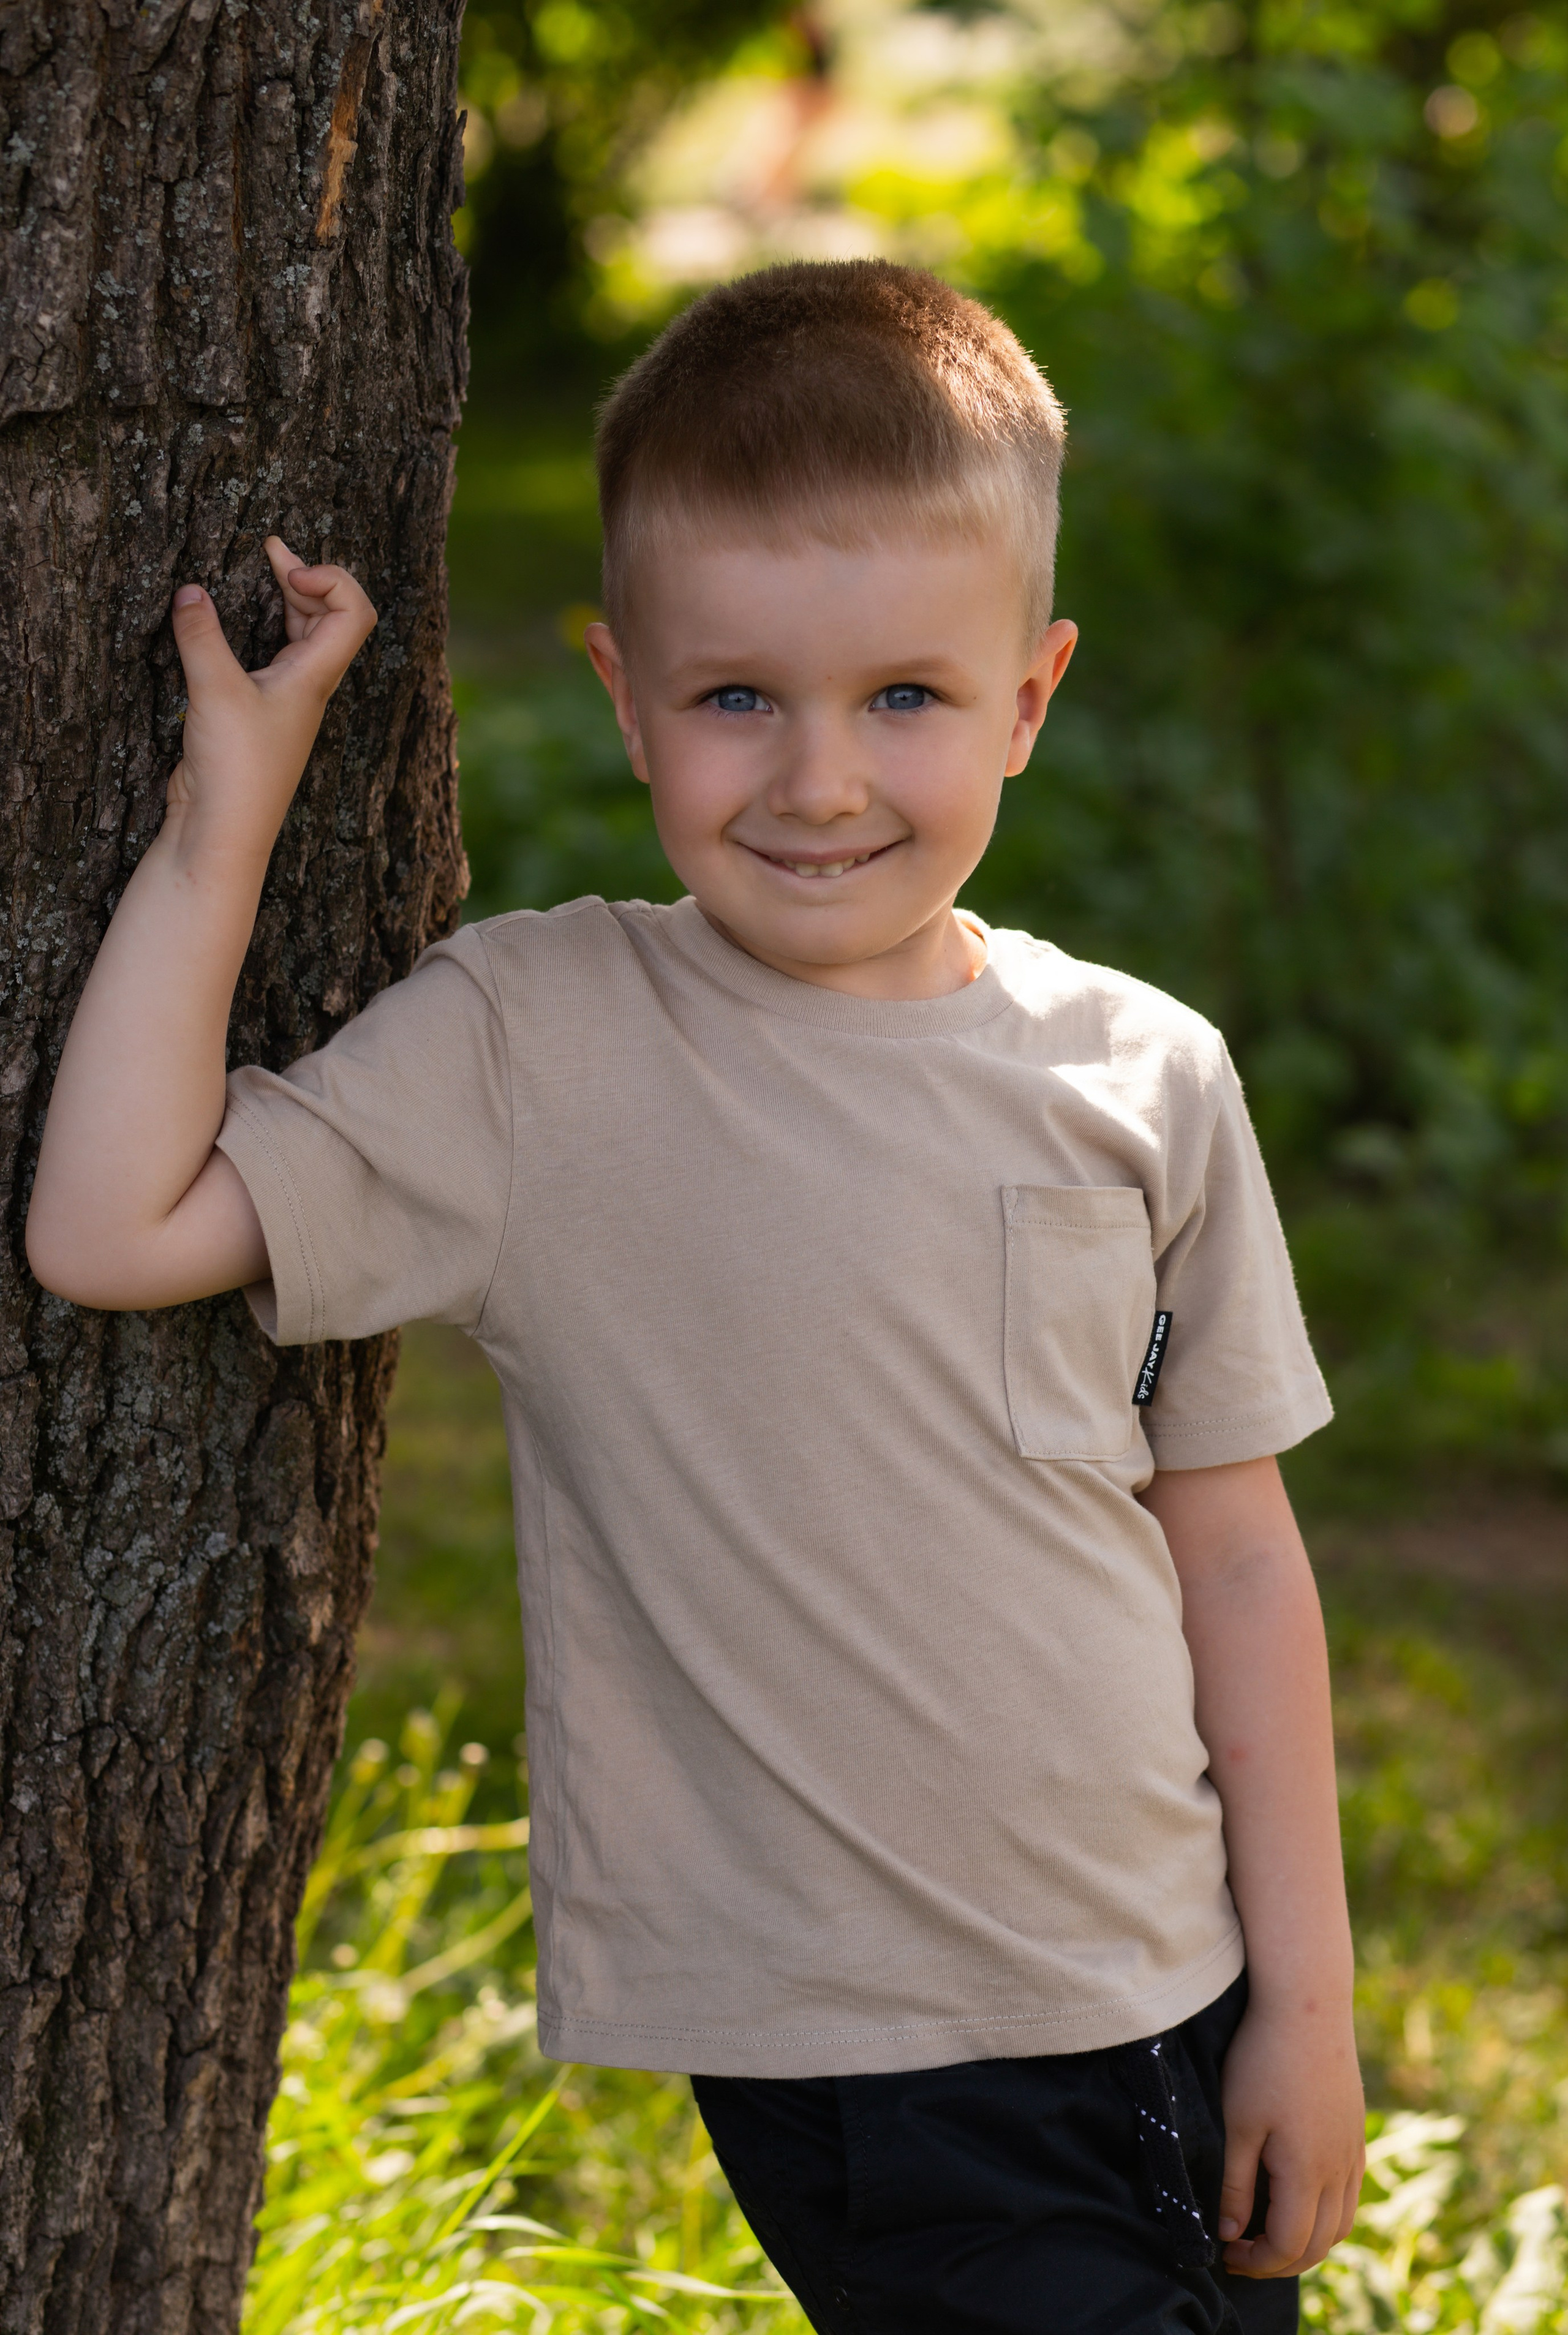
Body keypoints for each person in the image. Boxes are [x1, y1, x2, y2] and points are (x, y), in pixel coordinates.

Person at [27, 259, 1364, 2332]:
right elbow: (112, 1230)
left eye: (905, 697)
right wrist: (234, 805)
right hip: (809, 2047)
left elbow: (1241, 1564)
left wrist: (1312, 2005)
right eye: (739, 696)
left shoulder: (1143, 1075)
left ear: (1029, 695)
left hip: (1132, 2006)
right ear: (624, 691)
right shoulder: (539, 1043)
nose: (820, 780)